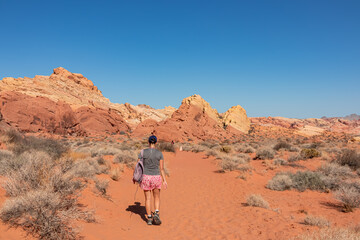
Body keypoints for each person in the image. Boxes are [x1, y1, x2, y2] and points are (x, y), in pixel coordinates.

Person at [137, 135, 168, 225]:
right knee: (157, 197)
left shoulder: (142, 152)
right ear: (156, 143)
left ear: (148, 142)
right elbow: (161, 168)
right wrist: (164, 180)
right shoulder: (159, 153)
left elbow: (138, 165)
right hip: (156, 177)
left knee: (147, 199)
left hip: (146, 177)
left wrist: (135, 177)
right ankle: (157, 213)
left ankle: (149, 218)